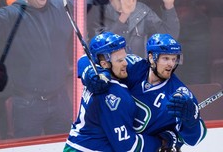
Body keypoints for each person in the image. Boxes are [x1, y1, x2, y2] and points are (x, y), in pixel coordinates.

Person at [0, 0, 74, 138]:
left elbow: (91, 10)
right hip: (27, 103)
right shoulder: (13, 13)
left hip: (59, 98)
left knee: (65, 146)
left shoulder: (59, 6)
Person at [78, 33, 207, 151]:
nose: (171, 64)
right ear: (151, 58)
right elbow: (88, 57)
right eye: (166, 58)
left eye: (174, 59)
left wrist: (191, 121)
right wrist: (90, 73)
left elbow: (196, 139)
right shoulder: (134, 66)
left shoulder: (179, 94)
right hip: (115, 143)